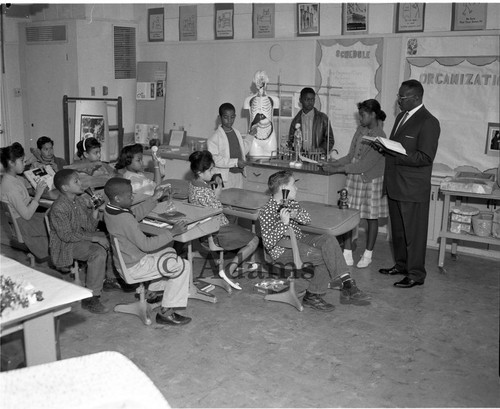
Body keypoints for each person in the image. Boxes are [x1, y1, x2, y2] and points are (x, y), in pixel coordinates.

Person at [258, 170, 370, 311]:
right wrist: (283, 223)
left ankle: (348, 283)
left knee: (329, 239)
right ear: (283, 188)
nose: (297, 188)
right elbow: (268, 243)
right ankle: (312, 295)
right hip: (282, 251)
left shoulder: (291, 203)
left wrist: (296, 214)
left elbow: (307, 219)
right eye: (294, 185)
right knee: (325, 256)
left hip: (300, 240)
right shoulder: (266, 211)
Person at [103, 177, 192, 326]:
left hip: (126, 262)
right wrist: (172, 232)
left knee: (169, 251)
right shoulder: (124, 218)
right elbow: (146, 245)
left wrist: (153, 199)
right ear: (118, 198)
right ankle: (166, 313)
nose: (132, 197)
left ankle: (152, 292)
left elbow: (133, 215)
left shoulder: (111, 210)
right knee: (182, 266)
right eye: (129, 195)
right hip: (136, 266)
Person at [379, 79, 440, 288]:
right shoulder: (401, 117)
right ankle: (402, 265)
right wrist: (384, 147)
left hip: (413, 188)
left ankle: (416, 274)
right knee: (398, 232)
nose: (398, 101)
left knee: (414, 234)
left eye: (402, 98)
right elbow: (398, 145)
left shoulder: (428, 121)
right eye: (398, 96)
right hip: (396, 184)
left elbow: (425, 157)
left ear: (416, 98)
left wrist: (397, 155)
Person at [320, 99, 388, 268]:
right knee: (349, 216)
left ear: (373, 115)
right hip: (354, 177)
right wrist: (333, 163)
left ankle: (368, 254)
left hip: (370, 179)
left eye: (363, 116)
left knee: (371, 218)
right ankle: (347, 252)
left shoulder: (381, 136)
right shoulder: (360, 130)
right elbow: (351, 156)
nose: (360, 119)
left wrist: (337, 170)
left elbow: (364, 165)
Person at [188, 151, 259, 286]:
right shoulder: (206, 192)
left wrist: (211, 188)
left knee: (236, 222)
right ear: (199, 172)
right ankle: (229, 270)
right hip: (216, 231)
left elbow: (204, 200)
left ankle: (233, 256)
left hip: (203, 232)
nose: (212, 171)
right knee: (254, 240)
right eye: (210, 170)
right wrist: (217, 194)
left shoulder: (192, 185)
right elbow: (217, 209)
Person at [48, 169, 109, 314]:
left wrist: (95, 210)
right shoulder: (59, 207)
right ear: (65, 188)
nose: (80, 183)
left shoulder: (78, 201)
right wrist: (94, 238)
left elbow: (89, 227)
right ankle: (91, 297)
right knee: (98, 252)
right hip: (64, 245)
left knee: (111, 238)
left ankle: (107, 279)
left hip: (78, 237)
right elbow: (66, 236)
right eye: (76, 181)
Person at [0, 142, 49, 260]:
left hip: (26, 219)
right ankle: (66, 255)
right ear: (11, 163)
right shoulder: (10, 187)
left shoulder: (13, 178)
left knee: (54, 213)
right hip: (25, 224)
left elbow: (24, 196)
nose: (25, 163)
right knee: (58, 220)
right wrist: (37, 195)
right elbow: (27, 215)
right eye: (22, 161)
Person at [207, 102, 250, 189]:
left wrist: (251, 136)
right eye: (226, 117)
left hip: (238, 174)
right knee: (224, 199)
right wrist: (235, 162)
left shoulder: (236, 132)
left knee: (237, 199)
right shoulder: (214, 138)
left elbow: (242, 150)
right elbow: (215, 160)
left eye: (232, 117)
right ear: (220, 117)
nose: (229, 120)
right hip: (224, 177)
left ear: (235, 116)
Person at [288, 88, 335, 157]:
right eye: (307, 99)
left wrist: (321, 149)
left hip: (317, 158)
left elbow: (330, 140)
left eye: (312, 99)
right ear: (300, 100)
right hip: (300, 157)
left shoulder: (323, 118)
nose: (310, 102)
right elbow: (291, 141)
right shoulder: (296, 121)